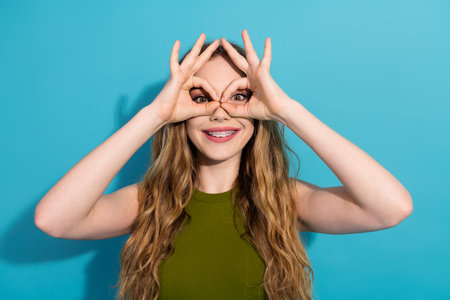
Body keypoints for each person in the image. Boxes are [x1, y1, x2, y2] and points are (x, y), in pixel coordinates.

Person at [34, 29, 413, 300]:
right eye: (200, 98)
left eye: (240, 96)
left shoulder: (287, 200)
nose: (220, 113)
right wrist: (154, 115)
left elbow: (390, 208)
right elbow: (53, 220)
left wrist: (285, 110)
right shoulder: (148, 202)